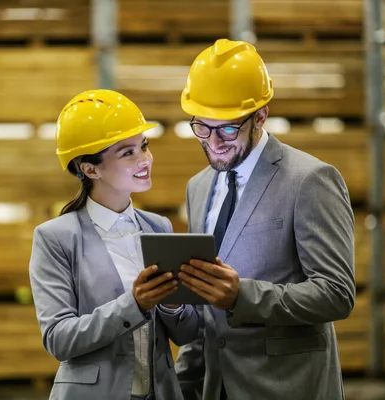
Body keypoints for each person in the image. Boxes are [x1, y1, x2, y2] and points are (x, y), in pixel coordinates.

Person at [174, 39, 356, 400]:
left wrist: (243, 295)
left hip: (288, 387)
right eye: (202, 128)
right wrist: (182, 385)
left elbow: (336, 293)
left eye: (227, 129)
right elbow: (205, 309)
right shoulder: (199, 187)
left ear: (260, 116)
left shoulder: (309, 180)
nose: (214, 143)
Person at [29, 89, 200, 400]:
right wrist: (135, 304)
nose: (145, 159)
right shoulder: (56, 238)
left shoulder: (159, 227)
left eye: (144, 147)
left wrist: (173, 304)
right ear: (90, 169)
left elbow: (187, 333)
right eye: (127, 152)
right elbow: (58, 339)